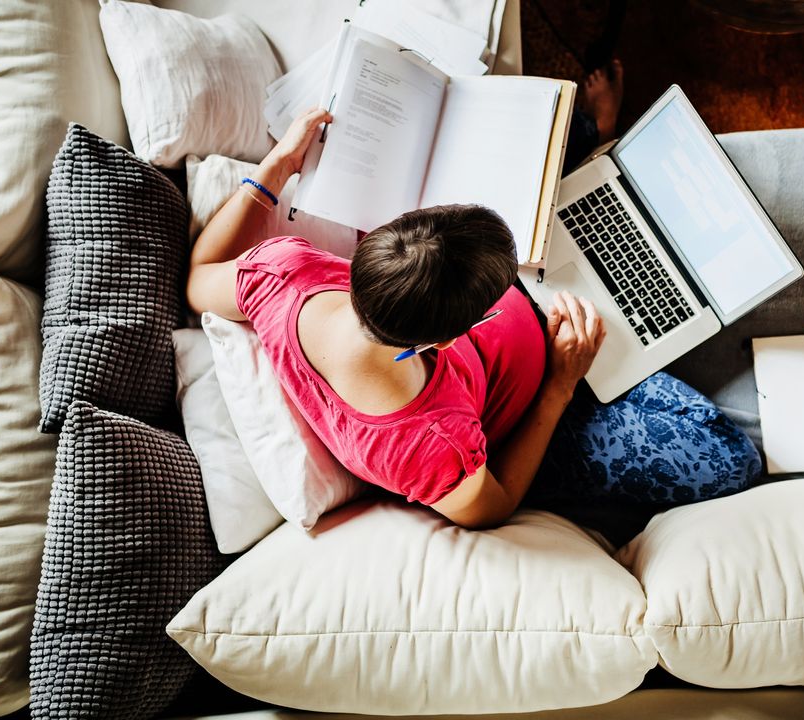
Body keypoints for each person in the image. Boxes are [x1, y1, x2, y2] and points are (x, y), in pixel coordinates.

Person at [186, 64, 761, 531]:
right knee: (729, 462)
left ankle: (594, 137)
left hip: (518, 302)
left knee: (550, 146)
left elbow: (199, 275)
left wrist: (276, 167)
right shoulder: (425, 444)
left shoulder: (283, 271)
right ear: (442, 339)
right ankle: (595, 140)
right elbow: (496, 504)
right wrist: (561, 383)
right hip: (549, 403)